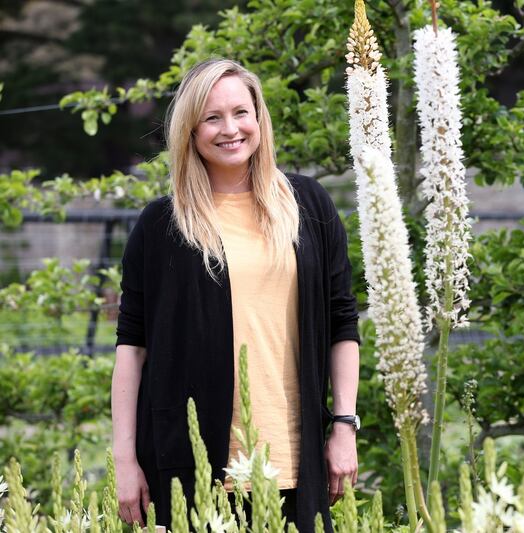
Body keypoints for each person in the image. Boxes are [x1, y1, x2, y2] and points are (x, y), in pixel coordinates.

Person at [111, 58, 361, 533]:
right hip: (192, 463)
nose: (231, 129)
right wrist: (125, 459)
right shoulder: (161, 225)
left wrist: (343, 427)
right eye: (212, 118)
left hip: (294, 459)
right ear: (190, 130)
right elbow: (132, 346)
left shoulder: (308, 205)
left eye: (241, 112)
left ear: (259, 117)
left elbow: (342, 323)